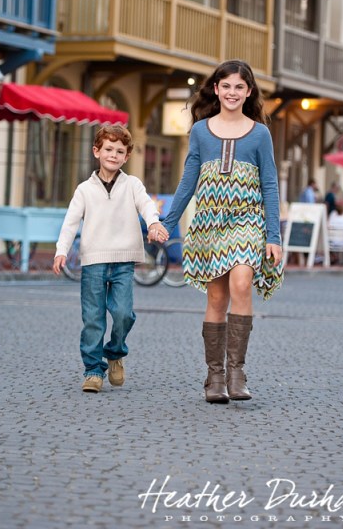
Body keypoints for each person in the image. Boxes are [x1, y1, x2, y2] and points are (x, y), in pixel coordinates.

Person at [160, 60, 283, 404]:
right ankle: (215, 377)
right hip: (210, 224)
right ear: (216, 89)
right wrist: (168, 223)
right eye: (226, 86)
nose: (232, 92)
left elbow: (270, 184)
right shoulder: (201, 131)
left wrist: (273, 236)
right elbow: (188, 180)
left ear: (249, 91)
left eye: (239, 87)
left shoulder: (260, 134)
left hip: (247, 220)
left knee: (241, 283)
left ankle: (236, 373)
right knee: (216, 298)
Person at [53, 124, 168, 393]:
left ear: (126, 157)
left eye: (119, 151)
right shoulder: (84, 189)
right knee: (93, 318)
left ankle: (115, 352)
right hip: (93, 261)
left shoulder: (133, 185)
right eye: (108, 149)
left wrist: (153, 222)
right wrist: (61, 250)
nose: (113, 155)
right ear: (97, 151)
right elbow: (70, 223)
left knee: (123, 314)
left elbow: (147, 205)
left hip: (123, 262)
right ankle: (93, 370)